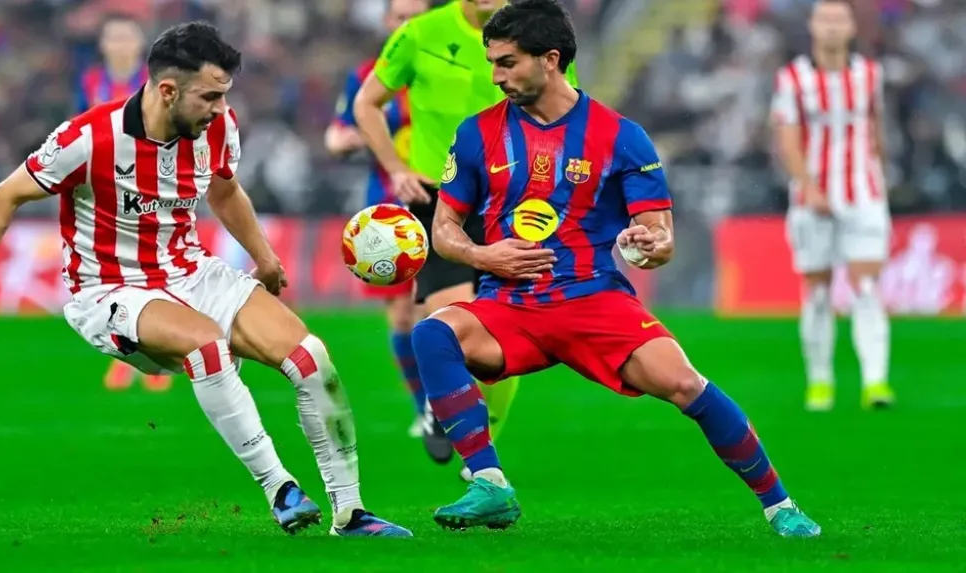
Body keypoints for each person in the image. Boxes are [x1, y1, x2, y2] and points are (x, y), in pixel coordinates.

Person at [0, 21, 410, 538]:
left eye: (224, 95)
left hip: (191, 271)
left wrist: (264, 257)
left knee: (312, 359)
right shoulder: (89, 138)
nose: (221, 108)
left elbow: (225, 191)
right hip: (110, 288)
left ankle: (350, 513)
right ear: (168, 90)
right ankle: (279, 487)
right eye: (210, 96)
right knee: (207, 347)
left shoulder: (216, 127)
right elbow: (7, 194)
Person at [410, 0, 821, 538]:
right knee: (432, 334)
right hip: (510, 306)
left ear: (550, 60)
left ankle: (780, 505)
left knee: (685, 384)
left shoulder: (621, 136)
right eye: (493, 63)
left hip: (593, 301)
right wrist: (482, 256)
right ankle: (490, 483)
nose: (496, 77)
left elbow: (660, 235)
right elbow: (443, 229)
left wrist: (647, 244)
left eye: (507, 63)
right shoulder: (476, 134)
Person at [353, 0, 578, 480]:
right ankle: (446, 406)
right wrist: (395, 168)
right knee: (454, 323)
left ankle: (483, 437)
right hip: (441, 200)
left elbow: (566, 116)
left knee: (510, 331)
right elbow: (365, 103)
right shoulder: (420, 33)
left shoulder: (540, 35)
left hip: (515, 203)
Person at [772, 0, 894, 412]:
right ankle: (820, 382)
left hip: (864, 194)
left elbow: (876, 128)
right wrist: (809, 187)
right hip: (812, 200)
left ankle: (875, 383)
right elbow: (787, 138)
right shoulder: (792, 78)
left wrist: (882, 178)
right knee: (818, 290)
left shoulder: (870, 74)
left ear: (852, 27)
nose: (831, 27)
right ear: (812, 26)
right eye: (825, 19)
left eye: (839, 19)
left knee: (867, 286)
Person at [326, 0, 429, 438]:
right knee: (403, 317)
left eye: (416, 18)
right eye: (400, 18)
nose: (407, 26)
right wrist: (347, 138)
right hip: (388, 210)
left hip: (445, 204)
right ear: (388, 22)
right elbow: (336, 134)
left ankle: (450, 400)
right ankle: (426, 409)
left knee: (436, 311)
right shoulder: (368, 76)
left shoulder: (446, 72)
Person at [78, 14, 165, 392]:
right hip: (105, 186)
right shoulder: (91, 81)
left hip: (150, 184)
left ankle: (158, 354)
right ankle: (124, 355)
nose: (120, 44)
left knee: (152, 268)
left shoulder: (154, 82)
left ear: (140, 43)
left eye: (126, 37)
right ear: (102, 44)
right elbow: (81, 127)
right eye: (113, 37)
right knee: (112, 271)